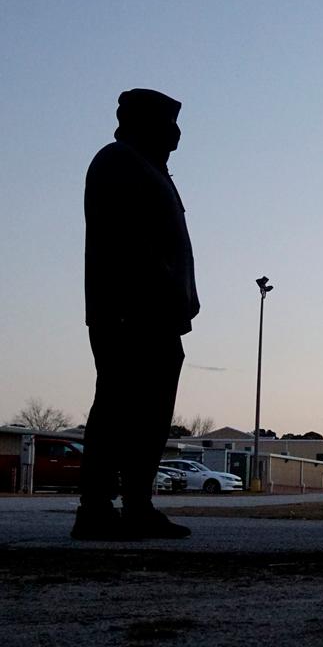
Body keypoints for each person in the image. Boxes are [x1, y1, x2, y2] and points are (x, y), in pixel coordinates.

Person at [71, 88, 200, 540]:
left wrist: (187, 293)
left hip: (156, 312)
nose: (178, 133)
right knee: (119, 406)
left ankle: (137, 505)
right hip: (130, 311)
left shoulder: (152, 170)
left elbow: (169, 244)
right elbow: (127, 244)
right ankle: (97, 508)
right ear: (145, 123)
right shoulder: (119, 162)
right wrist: (163, 289)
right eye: (170, 123)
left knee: (148, 411)